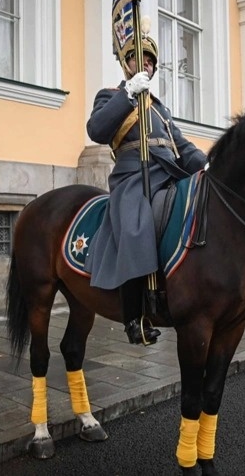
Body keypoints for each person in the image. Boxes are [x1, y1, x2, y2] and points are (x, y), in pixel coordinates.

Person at [84, 34, 207, 345]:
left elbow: (182, 146)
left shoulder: (159, 108)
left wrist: (208, 166)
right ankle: (134, 319)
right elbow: (96, 129)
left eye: (151, 61)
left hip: (168, 173)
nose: (147, 66)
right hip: (132, 176)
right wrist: (128, 93)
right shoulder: (110, 95)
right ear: (127, 64)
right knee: (136, 228)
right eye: (141, 59)